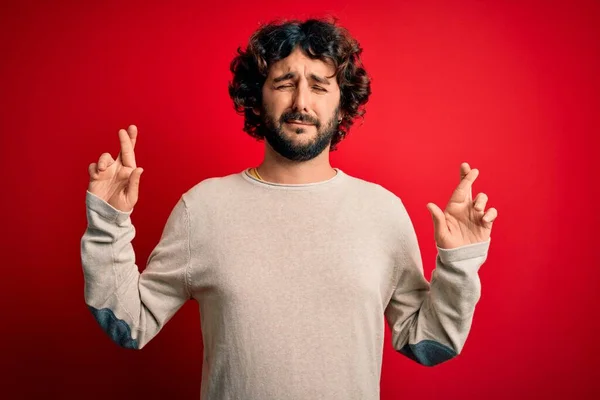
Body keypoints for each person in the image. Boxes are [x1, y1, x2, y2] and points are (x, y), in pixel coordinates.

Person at [81, 17, 497, 400]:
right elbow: (127, 323)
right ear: (258, 98)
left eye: (319, 86)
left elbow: (429, 344)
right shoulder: (203, 208)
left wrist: (459, 263)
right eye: (284, 83)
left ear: (341, 103)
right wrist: (108, 222)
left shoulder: (383, 213)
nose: (302, 102)